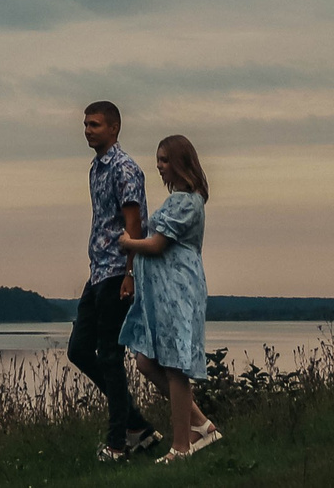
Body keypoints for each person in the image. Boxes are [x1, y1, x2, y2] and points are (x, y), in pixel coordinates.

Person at [117, 134, 217, 462]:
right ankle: (201, 425)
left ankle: (181, 446)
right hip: (161, 295)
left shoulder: (187, 201)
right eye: (158, 160)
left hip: (179, 291)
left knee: (175, 368)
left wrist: (127, 242)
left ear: (179, 163)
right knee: (146, 360)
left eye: (163, 160)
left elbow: (158, 244)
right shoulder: (178, 201)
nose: (159, 167)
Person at [70, 100, 157, 460]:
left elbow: (133, 224)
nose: (88, 130)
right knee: (79, 350)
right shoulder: (96, 169)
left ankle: (118, 443)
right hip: (98, 272)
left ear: (114, 129)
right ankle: (137, 426)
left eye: (95, 124)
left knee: (109, 355)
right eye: (86, 124)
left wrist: (131, 274)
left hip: (118, 273)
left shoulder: (124, 168)